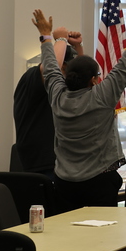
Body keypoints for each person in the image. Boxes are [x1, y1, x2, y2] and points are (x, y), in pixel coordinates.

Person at [32, 5, 126, 210]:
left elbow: (50, 67)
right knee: (102, 229)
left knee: (67, 228)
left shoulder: (57, 96)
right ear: (94, 80)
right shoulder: (102, 97)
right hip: (99, 183)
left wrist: (46, 35)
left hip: (65, 184)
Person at [13, 30, 84, 179]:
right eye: (69, 70)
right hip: (42, 164)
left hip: (61, 162)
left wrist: (78, 47)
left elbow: (83, 78)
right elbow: (51, 69)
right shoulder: (32, 77)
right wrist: (61, 39)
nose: (72, 76)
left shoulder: (63, 87)